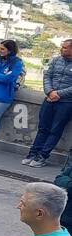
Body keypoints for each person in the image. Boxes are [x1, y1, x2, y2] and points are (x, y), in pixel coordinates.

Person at [21, 38, 72, 166]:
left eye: (65, 47)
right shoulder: (55, 60)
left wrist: (58, 94)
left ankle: (42, 156)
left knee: (55, 129)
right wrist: (49, 92)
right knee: (43, 127)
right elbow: (47, 76)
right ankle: (33, 153)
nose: (62, 49)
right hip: (49, 98)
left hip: (66, 102)